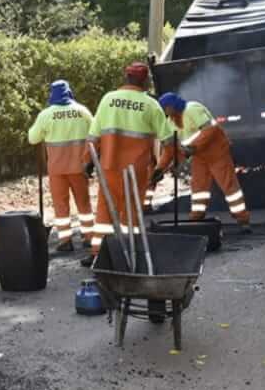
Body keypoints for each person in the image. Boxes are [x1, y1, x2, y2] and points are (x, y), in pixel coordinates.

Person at [83, 63, 174, 268]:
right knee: (131, 213)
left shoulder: (108, 99)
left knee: (105, 210)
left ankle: (98, 254)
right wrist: (161, 167)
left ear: (126, 77)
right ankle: (130, 254)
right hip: (136, 172)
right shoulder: (151, 105)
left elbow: (93, 136)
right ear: (146, 81)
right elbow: (169, 142)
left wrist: (87, 161)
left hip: (109, 166)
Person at [152, 93, 250, 230]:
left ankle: (242, 219)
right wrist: (160, 169)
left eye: (165, 109)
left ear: (171, 106)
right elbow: (172, 150)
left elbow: (210, 130)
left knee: (229, 185)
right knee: (198, 188)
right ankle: (197, 218)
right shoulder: (171, 122)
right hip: (199, 156)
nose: (164, 113)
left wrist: (192, 148)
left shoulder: (192, 109)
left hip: (217, 153)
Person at [27, 80, 94, 252]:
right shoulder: (82, 111)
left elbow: (32, 138)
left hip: (57, 169)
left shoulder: (46, 115)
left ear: (52, 95)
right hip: (80, 167)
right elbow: (95, 133)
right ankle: (89, 237)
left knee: (60, 205)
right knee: (84, 204)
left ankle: (65, 241)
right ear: (70, 92)